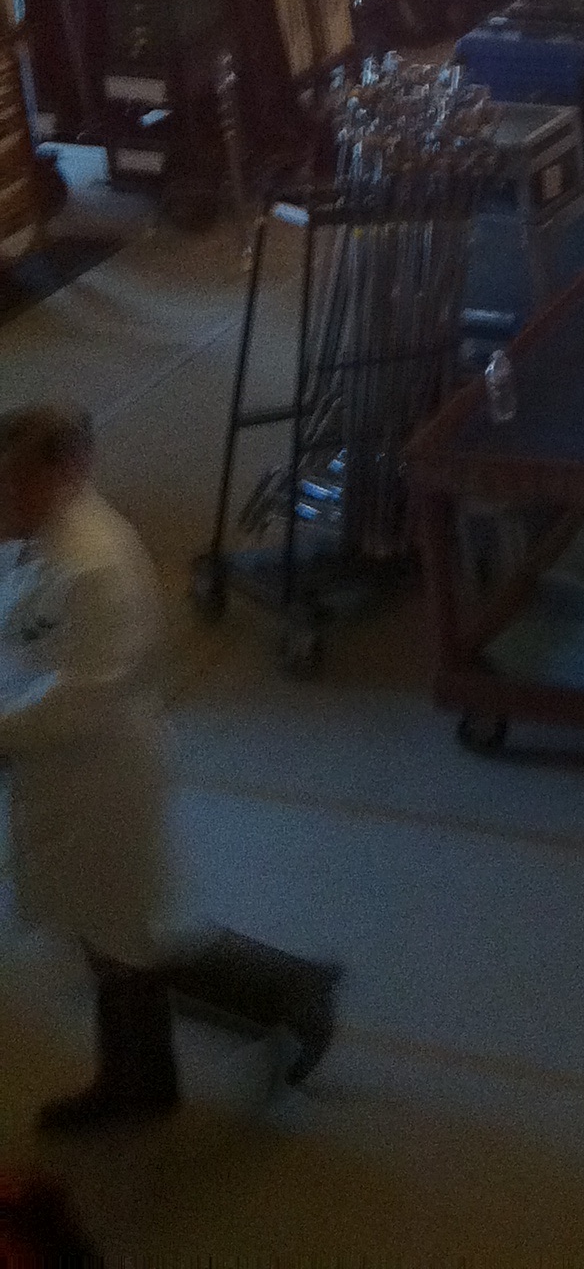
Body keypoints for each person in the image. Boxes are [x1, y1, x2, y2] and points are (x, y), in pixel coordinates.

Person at [0, 404, 341, 1133]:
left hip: (100, 779)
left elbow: (85, 695)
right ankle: (144, 1078)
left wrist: (4, 731)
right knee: (111, 933)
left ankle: (284, 995)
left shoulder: (94, 565)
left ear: (65, 472)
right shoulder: (42, 539)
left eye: (10, 486)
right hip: (59, 772)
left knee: (131, 936)